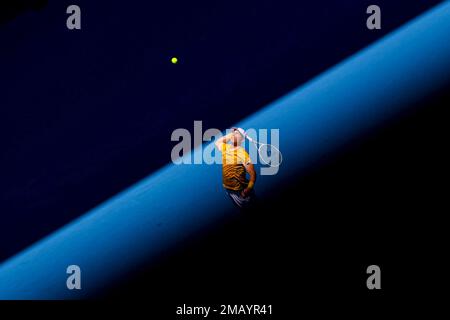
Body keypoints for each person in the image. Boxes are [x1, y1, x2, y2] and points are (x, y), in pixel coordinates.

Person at [215, 128, 256, 209]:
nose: (233, 134)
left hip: (241, 192)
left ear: (242, 139)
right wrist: (232, 134)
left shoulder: (243, 153)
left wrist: (248, 189)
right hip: (229, 190)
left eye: (237, 134)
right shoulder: (226, 147)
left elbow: (253, 174)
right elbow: (218, 142)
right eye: (233, 133)